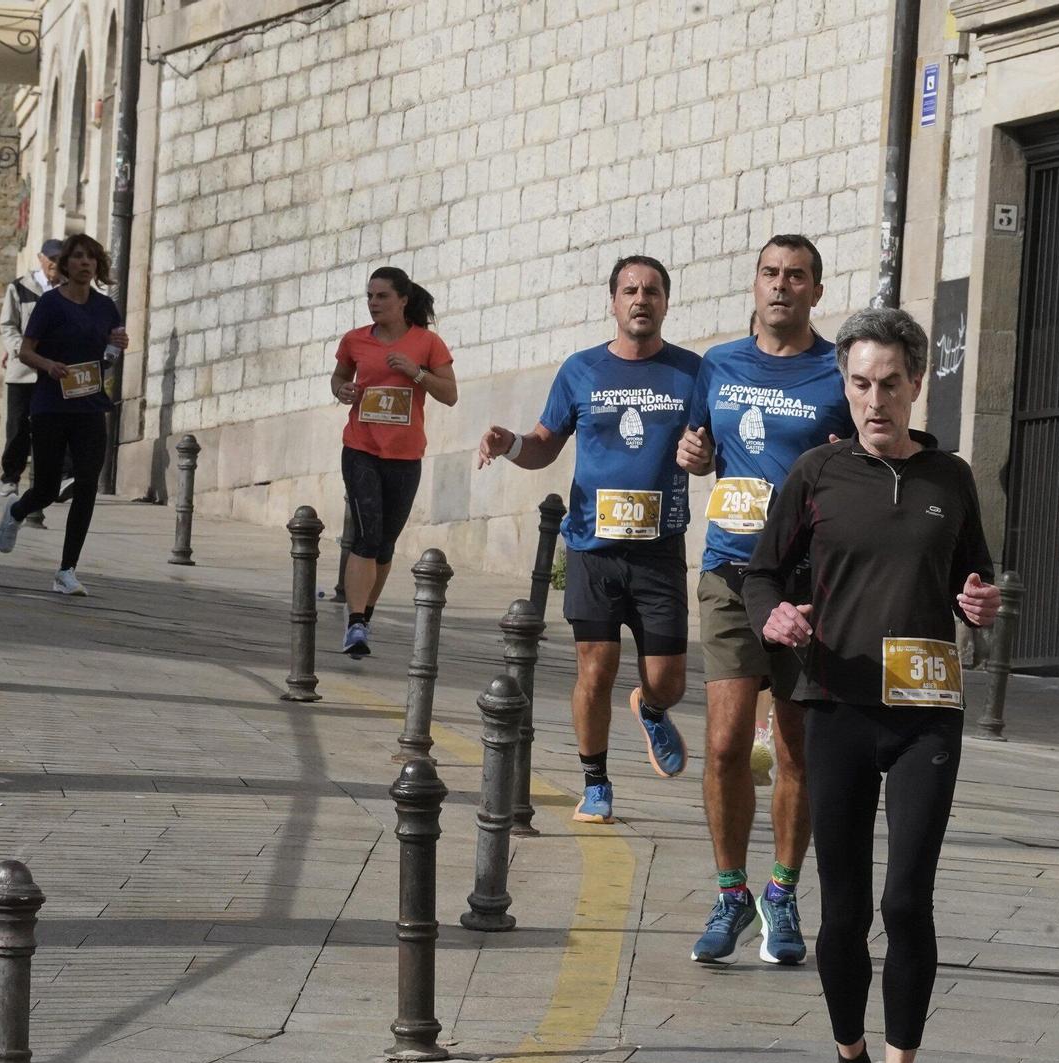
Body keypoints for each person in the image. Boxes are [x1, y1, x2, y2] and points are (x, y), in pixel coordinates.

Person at [744, 306, 997, 1063]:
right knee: (844, 909)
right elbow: (762, 571)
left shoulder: (950, 478)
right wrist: (772, 614)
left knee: (906, 900)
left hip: (927, 710)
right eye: (859, 383)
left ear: (917, 382)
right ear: (844, 385)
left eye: (891, 382)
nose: (875, 399)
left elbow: (976, 578)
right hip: (838, 703)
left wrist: (980, 606)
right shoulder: (816, 474)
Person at [676, 235, 855, 966]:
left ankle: (780, 896)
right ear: (754, 285)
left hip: (805, 583)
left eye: (797, 277)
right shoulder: (717, 364)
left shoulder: (838, 370)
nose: (782, 287)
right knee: (723, 745)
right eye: (771, 274)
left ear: (816, 290)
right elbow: (701, 447)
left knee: (795, 750)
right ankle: (729, 894)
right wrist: (694, 457)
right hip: (727, 570)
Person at [476, 255, 696, 821]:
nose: (640, 299)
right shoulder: (581, 370)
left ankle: (650, 708)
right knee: (593, 670)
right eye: (629, 290)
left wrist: (706, 458)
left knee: (668, 681)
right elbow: (545, 442)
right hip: (592, 549)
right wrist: (510, 444)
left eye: (651, 290)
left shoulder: (693, 373)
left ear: (667, 303)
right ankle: (595, 782)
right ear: (613, 302)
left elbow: (711, 447)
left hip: (660, 550)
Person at [329, 267, 458, 657]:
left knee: (385, 543)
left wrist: (415, 372)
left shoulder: (427, 343)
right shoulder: (354, 341)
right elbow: (338, 379)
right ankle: (354, 625)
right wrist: (344, 391)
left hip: (404, 455)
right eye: (369, 296)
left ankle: (364, 617)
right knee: (367, 536)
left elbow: (450, 394)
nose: (373, 303)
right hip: (361, 449)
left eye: (382, 296)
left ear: (403, 300)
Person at [0, 234, 129, 594]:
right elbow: (25, 351)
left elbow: (112, 348)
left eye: (91, 259)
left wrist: (116, 348)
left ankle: (66, 570)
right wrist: (49, 365)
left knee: (86, 485)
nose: (85, 263)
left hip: (90, 406)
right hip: (51, 405)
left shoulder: (105, 307)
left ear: (97, 266)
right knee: (47, 489)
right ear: (65, 265)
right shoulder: (50, 304)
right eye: (78, 257)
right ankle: (17, 513)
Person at [0, 240, 63, 508]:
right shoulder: (20, 287)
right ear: (41, 259)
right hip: (22, 370)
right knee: (18, 425)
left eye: (61, 259)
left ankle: (50, 481)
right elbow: (8, 325)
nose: (56, 265)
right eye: (52, 259)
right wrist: (20, 349)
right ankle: (11, 476)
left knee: (51, 426)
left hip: (53, 370)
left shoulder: (68, 292)